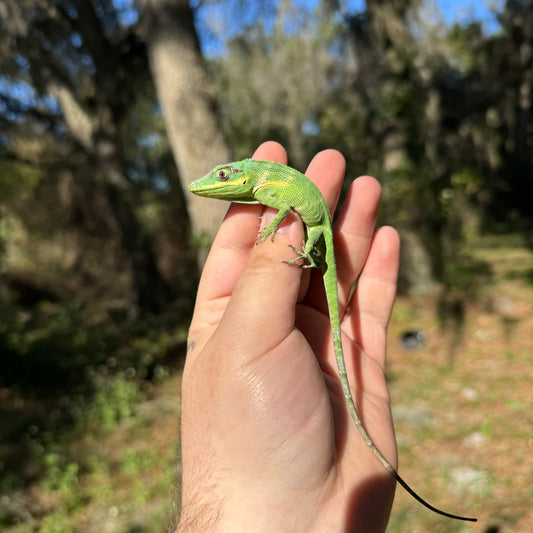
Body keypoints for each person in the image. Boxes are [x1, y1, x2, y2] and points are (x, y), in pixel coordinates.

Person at [177, 141, 400, 533]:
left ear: (242, 174)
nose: (214, 182)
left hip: (317, 230)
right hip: (315, 230)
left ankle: (310, 254)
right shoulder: (260, 185)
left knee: (320, 262)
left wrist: (283, 233)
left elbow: (286, 211)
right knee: (329, 300)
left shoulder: (265, 187)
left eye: (223, 175)